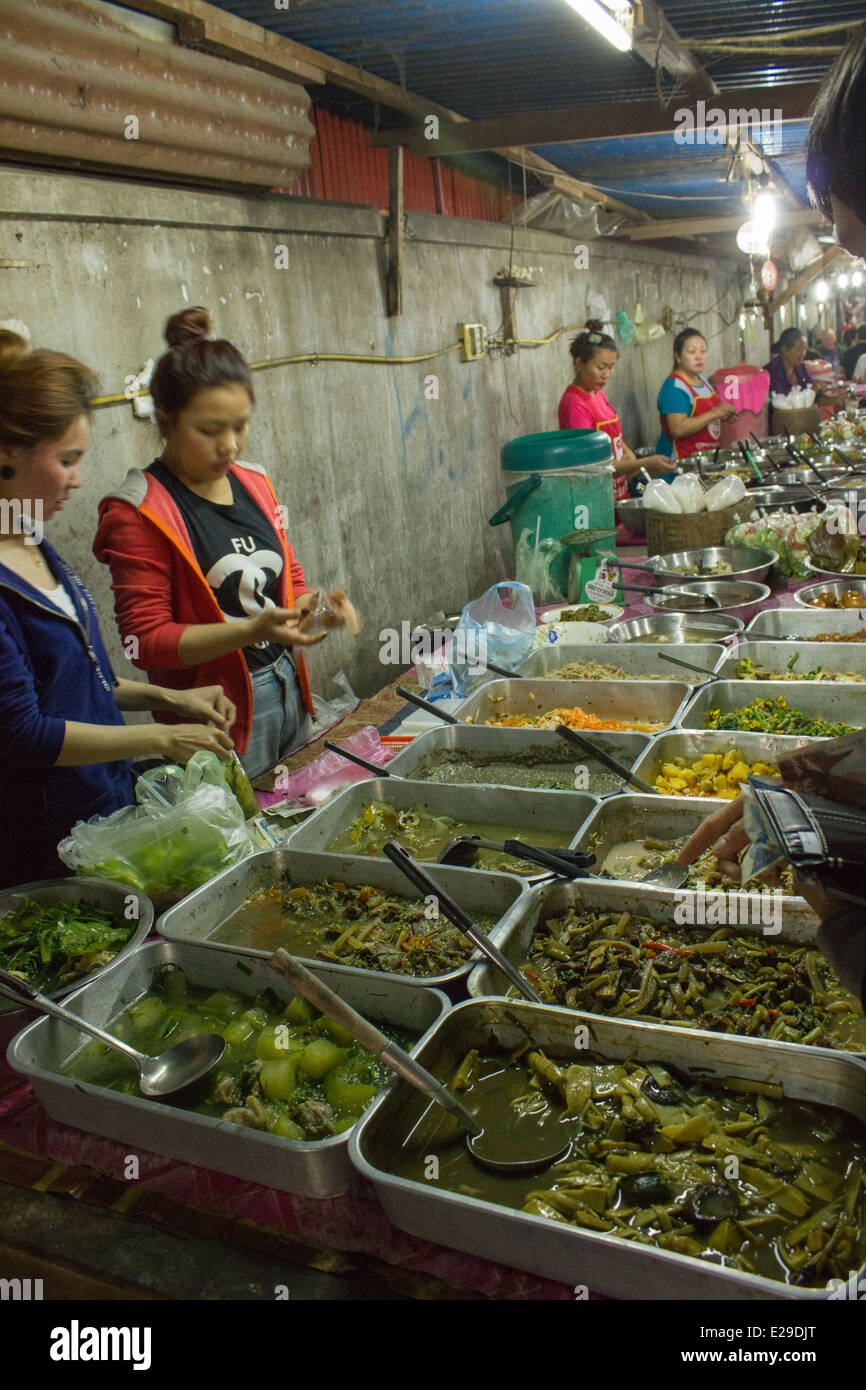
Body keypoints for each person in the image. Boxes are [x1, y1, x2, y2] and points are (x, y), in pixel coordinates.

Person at [0, 329, 234, 889]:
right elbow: (24, 732)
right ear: (6, 454)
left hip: (103, 806)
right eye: (67, 460)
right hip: (44, 842)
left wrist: (166, 696)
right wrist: (158, 737)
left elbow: (79, 678)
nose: (78, 479)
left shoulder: (30, 537)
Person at [93, 307, 357, 780]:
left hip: (284, 684)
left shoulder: (255, 484)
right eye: (210, 431)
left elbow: (286, 584)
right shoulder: (139, 512)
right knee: (242, 834)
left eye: (241, 426)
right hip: (215, 713)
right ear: (166, 421)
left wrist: (316, 607)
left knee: (292, 808)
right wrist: (252, 631)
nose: (231, 446)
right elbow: (145, 643)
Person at [557, 321, 674, 502]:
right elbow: (592, 464)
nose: (607, 374)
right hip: (595, 497)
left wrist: (628, 452)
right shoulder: (575, 405)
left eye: (611, 367)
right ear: (579, 363)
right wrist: (645, 463)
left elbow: (612, 436)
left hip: (617, 492)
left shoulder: (597, 393)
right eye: (601, 367)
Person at [655, 328, 737, 463]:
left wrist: (723, 416)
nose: (699, 357)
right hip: (680, 463)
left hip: (705, 459)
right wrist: (714, 414)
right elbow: (678, 428)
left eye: (703, 351)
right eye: (692, 352)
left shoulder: (703, 381)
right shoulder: (674, 387)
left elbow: (702, 418)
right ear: (678, 356)